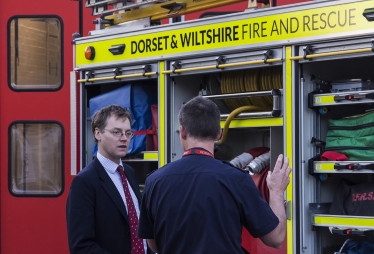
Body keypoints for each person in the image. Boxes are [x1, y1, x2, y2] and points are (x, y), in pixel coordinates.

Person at [138, 96, 291, 254]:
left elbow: (154, 244)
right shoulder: (237, 179)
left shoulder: (154, 181)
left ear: (182, 131)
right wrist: (277, 190)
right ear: (219, 133)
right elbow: (276, 238)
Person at [66, 104, 151, 254]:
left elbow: (138, 230)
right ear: (98, 134)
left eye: (128, 133)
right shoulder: (84, 182)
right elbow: (81, 246)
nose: (124, 138)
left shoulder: (129, 173)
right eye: (117, 132)